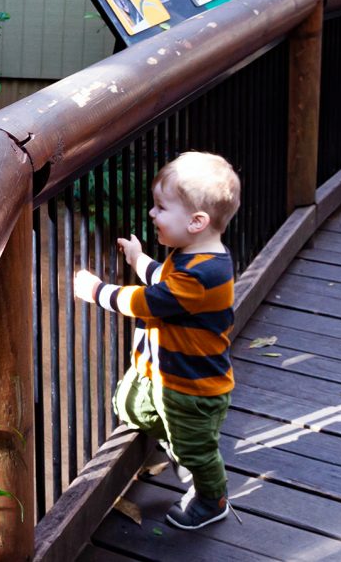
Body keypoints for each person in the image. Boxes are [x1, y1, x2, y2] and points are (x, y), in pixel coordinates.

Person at [74, 151, 241, 530]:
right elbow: (163, 281)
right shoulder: (190, 257)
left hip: (193, 390)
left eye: (161, 208)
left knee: (195, 451)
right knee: (130, 405)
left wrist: (97, 290)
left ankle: (212, 498)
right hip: (174, 380)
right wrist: (138, 259)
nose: (152, 214)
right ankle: (176, 437)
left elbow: (149, 301)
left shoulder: (202, 276)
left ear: (197, 221)